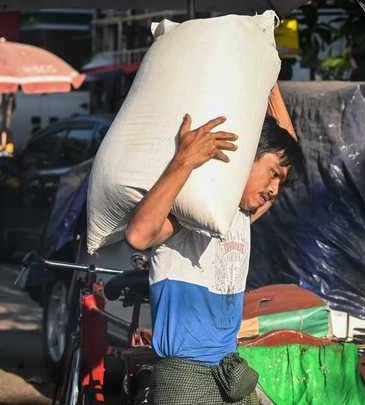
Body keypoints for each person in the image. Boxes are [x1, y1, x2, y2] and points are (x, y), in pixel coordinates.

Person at [126, 110, 304, 404]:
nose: (274, 190)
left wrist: (270, 74)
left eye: (280, 183)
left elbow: (288, 146)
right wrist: (184, 160)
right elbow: (139, 235)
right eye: (273, 174)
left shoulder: (241, 217)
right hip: (186, 386)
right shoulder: (195, 214)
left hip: (229, 377)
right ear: (247, 157)